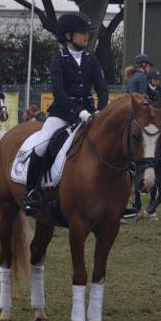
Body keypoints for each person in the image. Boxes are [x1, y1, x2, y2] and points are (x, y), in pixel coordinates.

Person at [23, 13, 108, 215]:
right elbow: (58, 93)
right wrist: (79, 112)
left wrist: (101, 109)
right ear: (68, 36)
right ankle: (31, 193)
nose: (86, 36)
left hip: (89, 114)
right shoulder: (58, 60)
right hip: (62, 114)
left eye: (86, 32)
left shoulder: (91, 60)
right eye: (82, 32)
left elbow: (102, 89)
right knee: (41, 146)